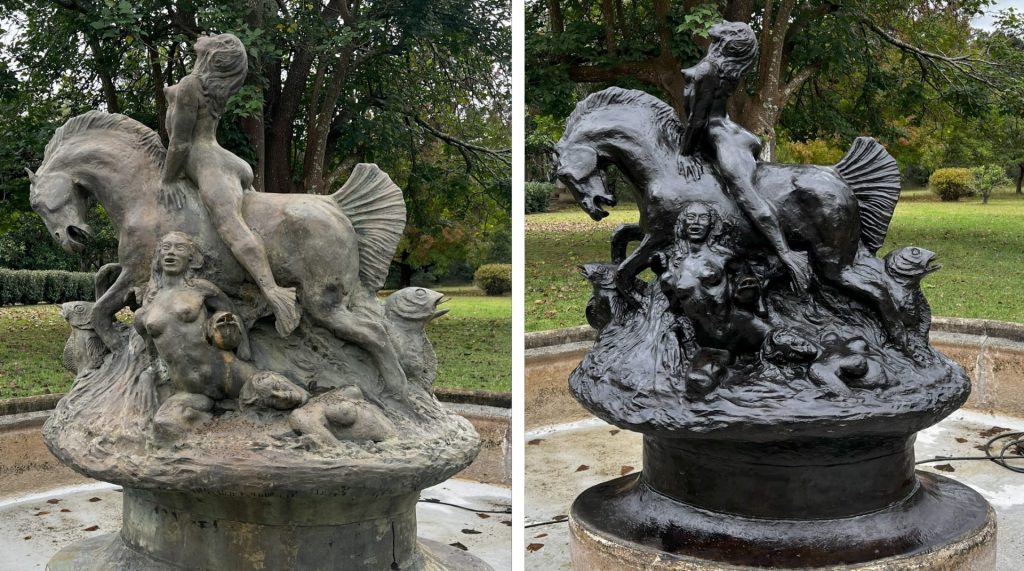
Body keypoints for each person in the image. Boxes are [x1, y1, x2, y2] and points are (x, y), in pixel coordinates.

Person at [160, 33, 299, 337]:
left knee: (230, 226)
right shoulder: (205, 86)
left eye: (215, 39)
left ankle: (274, 292)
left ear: (214, 55)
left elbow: (181, 143)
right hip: (223, 157)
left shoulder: (191, 85)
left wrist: (167, 179)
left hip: (207, 163)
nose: (206, 35)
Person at [679, 21, 812, 293]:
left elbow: (698, 120)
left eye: (728, 28)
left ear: (729, 42)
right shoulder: (716, 65)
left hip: (721, 136)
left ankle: (786, 253)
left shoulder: (709, 70)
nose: (721, 24)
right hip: (722, 129)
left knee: (744, 192)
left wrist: (685, 153)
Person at [134, 232, 307, 431]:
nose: (171, 252)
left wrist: (243, 349)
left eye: (179, 248)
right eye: (166, 248)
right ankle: (218, 418)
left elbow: (232, 313)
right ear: (158, 256)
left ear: (191, 258)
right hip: (192, 391)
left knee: (285, 395)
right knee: (165, 423)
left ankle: (309, 418)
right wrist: (148, 376)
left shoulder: (201, 289)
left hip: (229, 373)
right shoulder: (145, 311)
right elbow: (153, 357)